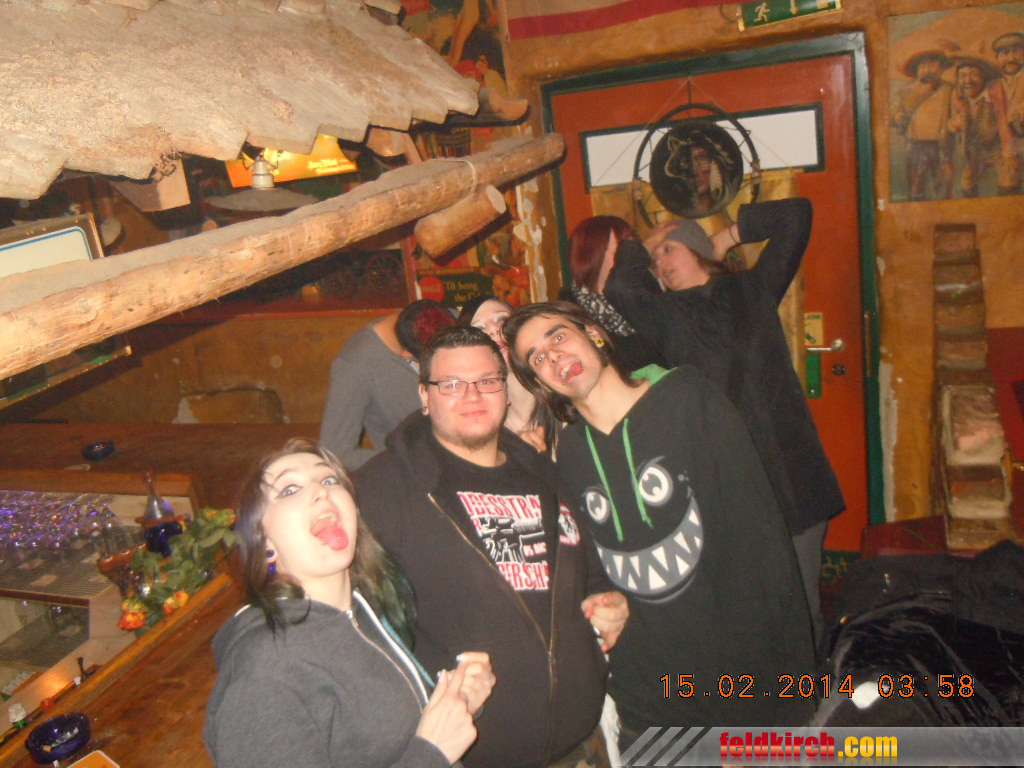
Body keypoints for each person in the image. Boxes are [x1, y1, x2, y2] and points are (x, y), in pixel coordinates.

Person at [504, 302, 816, 741]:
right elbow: (590, 566)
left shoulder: (688, 400)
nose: (553, 355)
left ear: (593, 334)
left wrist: (780, 690)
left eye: (558, 336)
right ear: (541, 383)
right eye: (537, 357)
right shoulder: (570, 454)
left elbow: (760, 546)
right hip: (648, 698)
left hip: (739, 682)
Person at [355, 325, 628, 768]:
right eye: (451, 384)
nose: (473, 395)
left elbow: (588, 566)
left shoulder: (544, 473)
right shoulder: (383, 490)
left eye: (487, 381)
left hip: (581, 747)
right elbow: (355, 627)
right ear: (424, 395)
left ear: (504, 390)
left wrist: (604, 598)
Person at [600, 197, 845, 653]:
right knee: (752, 615)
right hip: (730, 490)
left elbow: (797, 215)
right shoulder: (667, 317)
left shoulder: (753, 289)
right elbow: (621, 289)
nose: (660, 264)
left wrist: (728, 236)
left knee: (804, 608)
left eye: (669, 250)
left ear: (697, 250)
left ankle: (811, 694)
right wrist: (647, 243)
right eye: (655, 260)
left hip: (794, 477)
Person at [204, 438, 495, 768]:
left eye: (329, 479)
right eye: (289, 489)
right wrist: (432, 753)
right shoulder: (264, 670)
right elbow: (425, 752)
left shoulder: (360, 615)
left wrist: (457, 704)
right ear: (264, 542)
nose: (321, 490)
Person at [320, 299, 455, 469]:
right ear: (407, 354)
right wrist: (410, 460)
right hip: (418, 473)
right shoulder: (355, 365)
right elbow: (336, 453)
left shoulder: (442, 319)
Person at [562, 217, 665, 372]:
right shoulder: (571, 315)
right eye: (625, 248)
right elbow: (605, 359)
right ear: (594, 253)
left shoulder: (645, 290)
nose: (630, 256)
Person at [457, 294, 549, 451]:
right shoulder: (478, 421)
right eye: (480, 329)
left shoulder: (559, 391)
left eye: (501, 319)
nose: (494, 330)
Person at [892, 47, 956, 200]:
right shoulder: (906, 92)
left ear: (942, 68)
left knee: (943, 186)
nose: (927, 70)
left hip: (942, 146)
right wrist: (897, 117)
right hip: (916, 145)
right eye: (923, 66)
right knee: (916, 186)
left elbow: (957, 111)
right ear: (916, 70)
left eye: (932, 65)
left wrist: (955, 122)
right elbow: (893, 113)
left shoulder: (949, 90)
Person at [947, 55, 1000, 198]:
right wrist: (954, 124)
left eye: (974, 75)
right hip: (972, 150)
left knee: (1008, 181)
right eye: (962, 76)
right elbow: (950, 121)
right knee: (967, 184)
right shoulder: (958, 97)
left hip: (996, 148)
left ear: (984, 77)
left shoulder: (993, 94)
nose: (968, 81)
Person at [987, 32, 1024, 194]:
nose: (1010, 57)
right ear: (997, 58)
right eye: (1004, 53)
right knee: (1008, 188)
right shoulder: (993, 87)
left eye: (1016, 51)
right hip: (1007, 149)